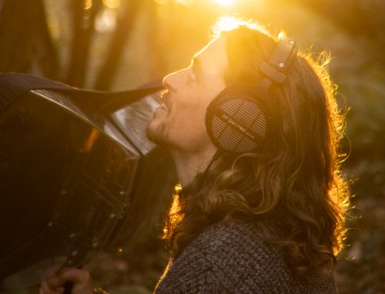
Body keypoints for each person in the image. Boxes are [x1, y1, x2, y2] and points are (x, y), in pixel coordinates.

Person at [41, 17, 349, 294]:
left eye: (194, 74)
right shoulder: (271, 239)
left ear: (238, 118)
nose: (169, 79)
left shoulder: (217, 266)